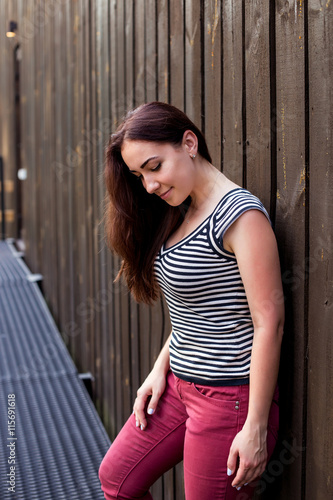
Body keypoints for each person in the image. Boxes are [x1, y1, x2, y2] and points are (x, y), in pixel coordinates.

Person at [99, 101, 284, 500]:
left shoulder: (239, 215)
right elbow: (194, 312)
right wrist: (159, 369)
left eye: (154, 167)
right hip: (178, 388)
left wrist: (254, 426)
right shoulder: (180, 210)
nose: (148, 185)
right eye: (138, 176)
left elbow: (270, 322)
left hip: (228, 399)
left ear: (188, 143)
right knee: (117, 480)